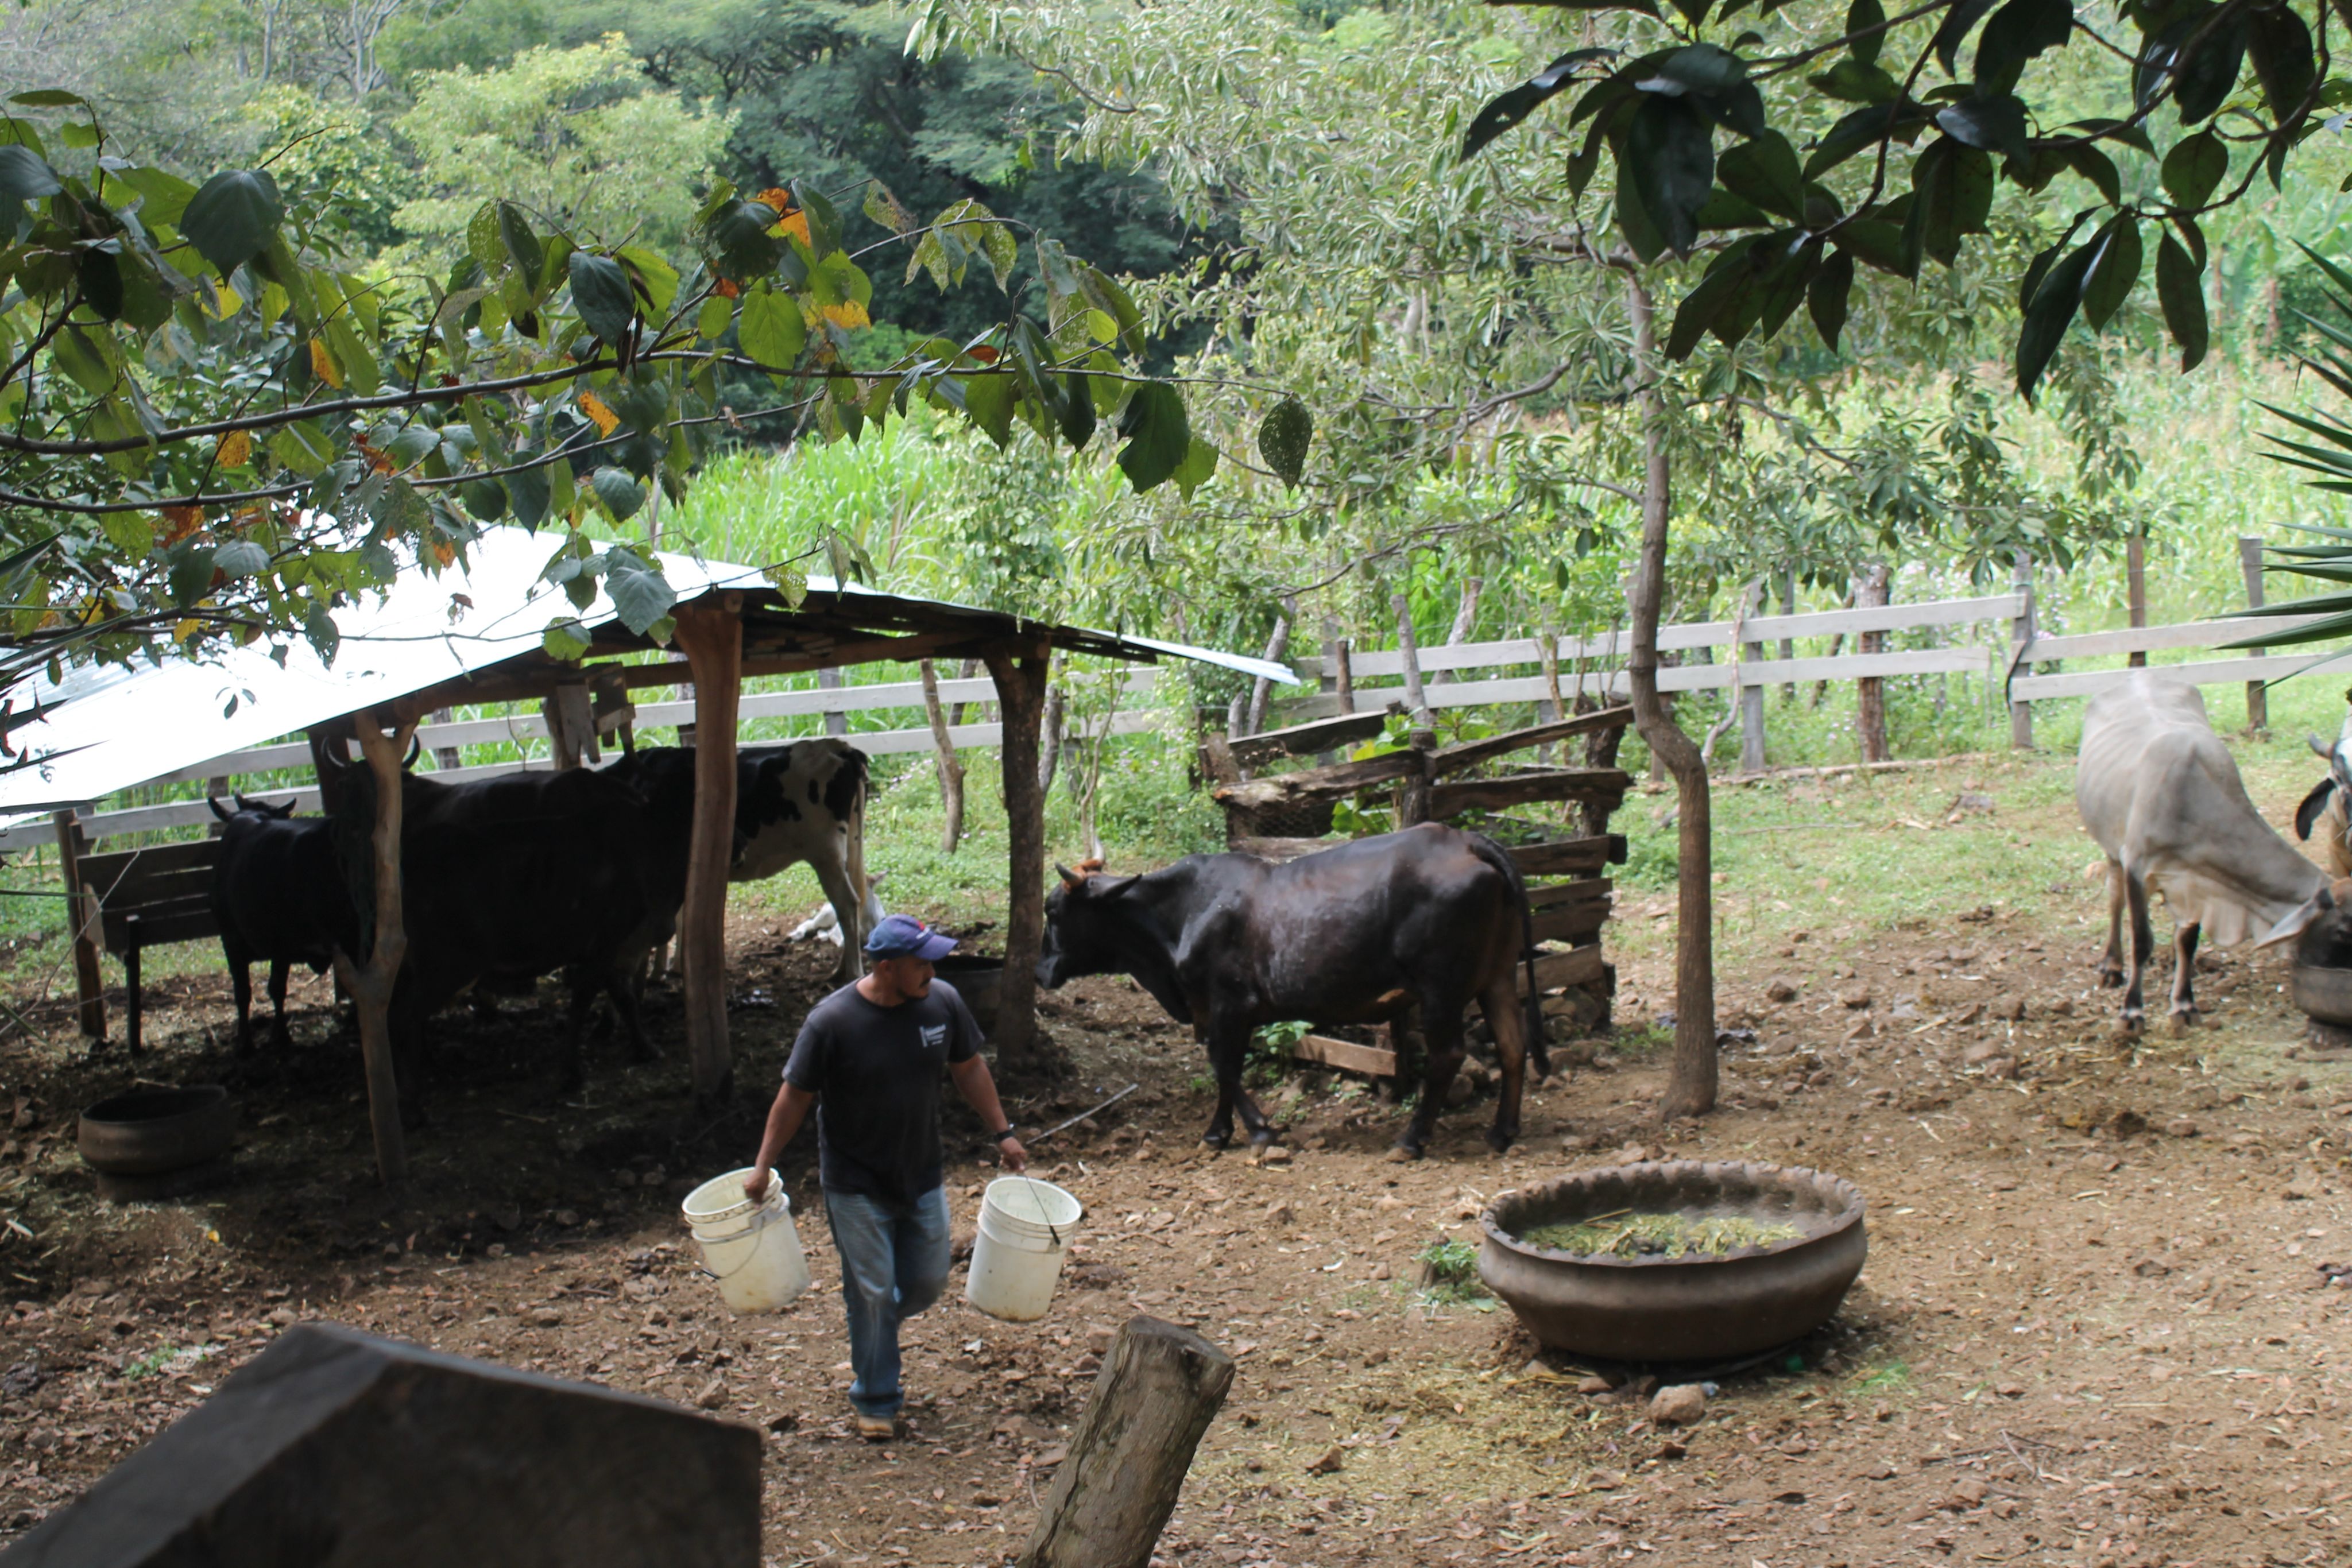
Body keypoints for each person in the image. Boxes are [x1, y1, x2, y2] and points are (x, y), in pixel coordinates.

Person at [744, 913, 1027, 1441]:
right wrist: (763, 1165)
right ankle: (876, 1396)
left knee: (928, 1280)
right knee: (872, 1290)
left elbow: (968, 1067)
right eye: (921, 963)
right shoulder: (831, 1023)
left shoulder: (942, 1003)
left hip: (920, 1173)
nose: (932, 970)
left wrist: (1003, 1132)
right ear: (886, 966)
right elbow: (794, 1098)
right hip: (853, 1183)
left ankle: (874, 1328)